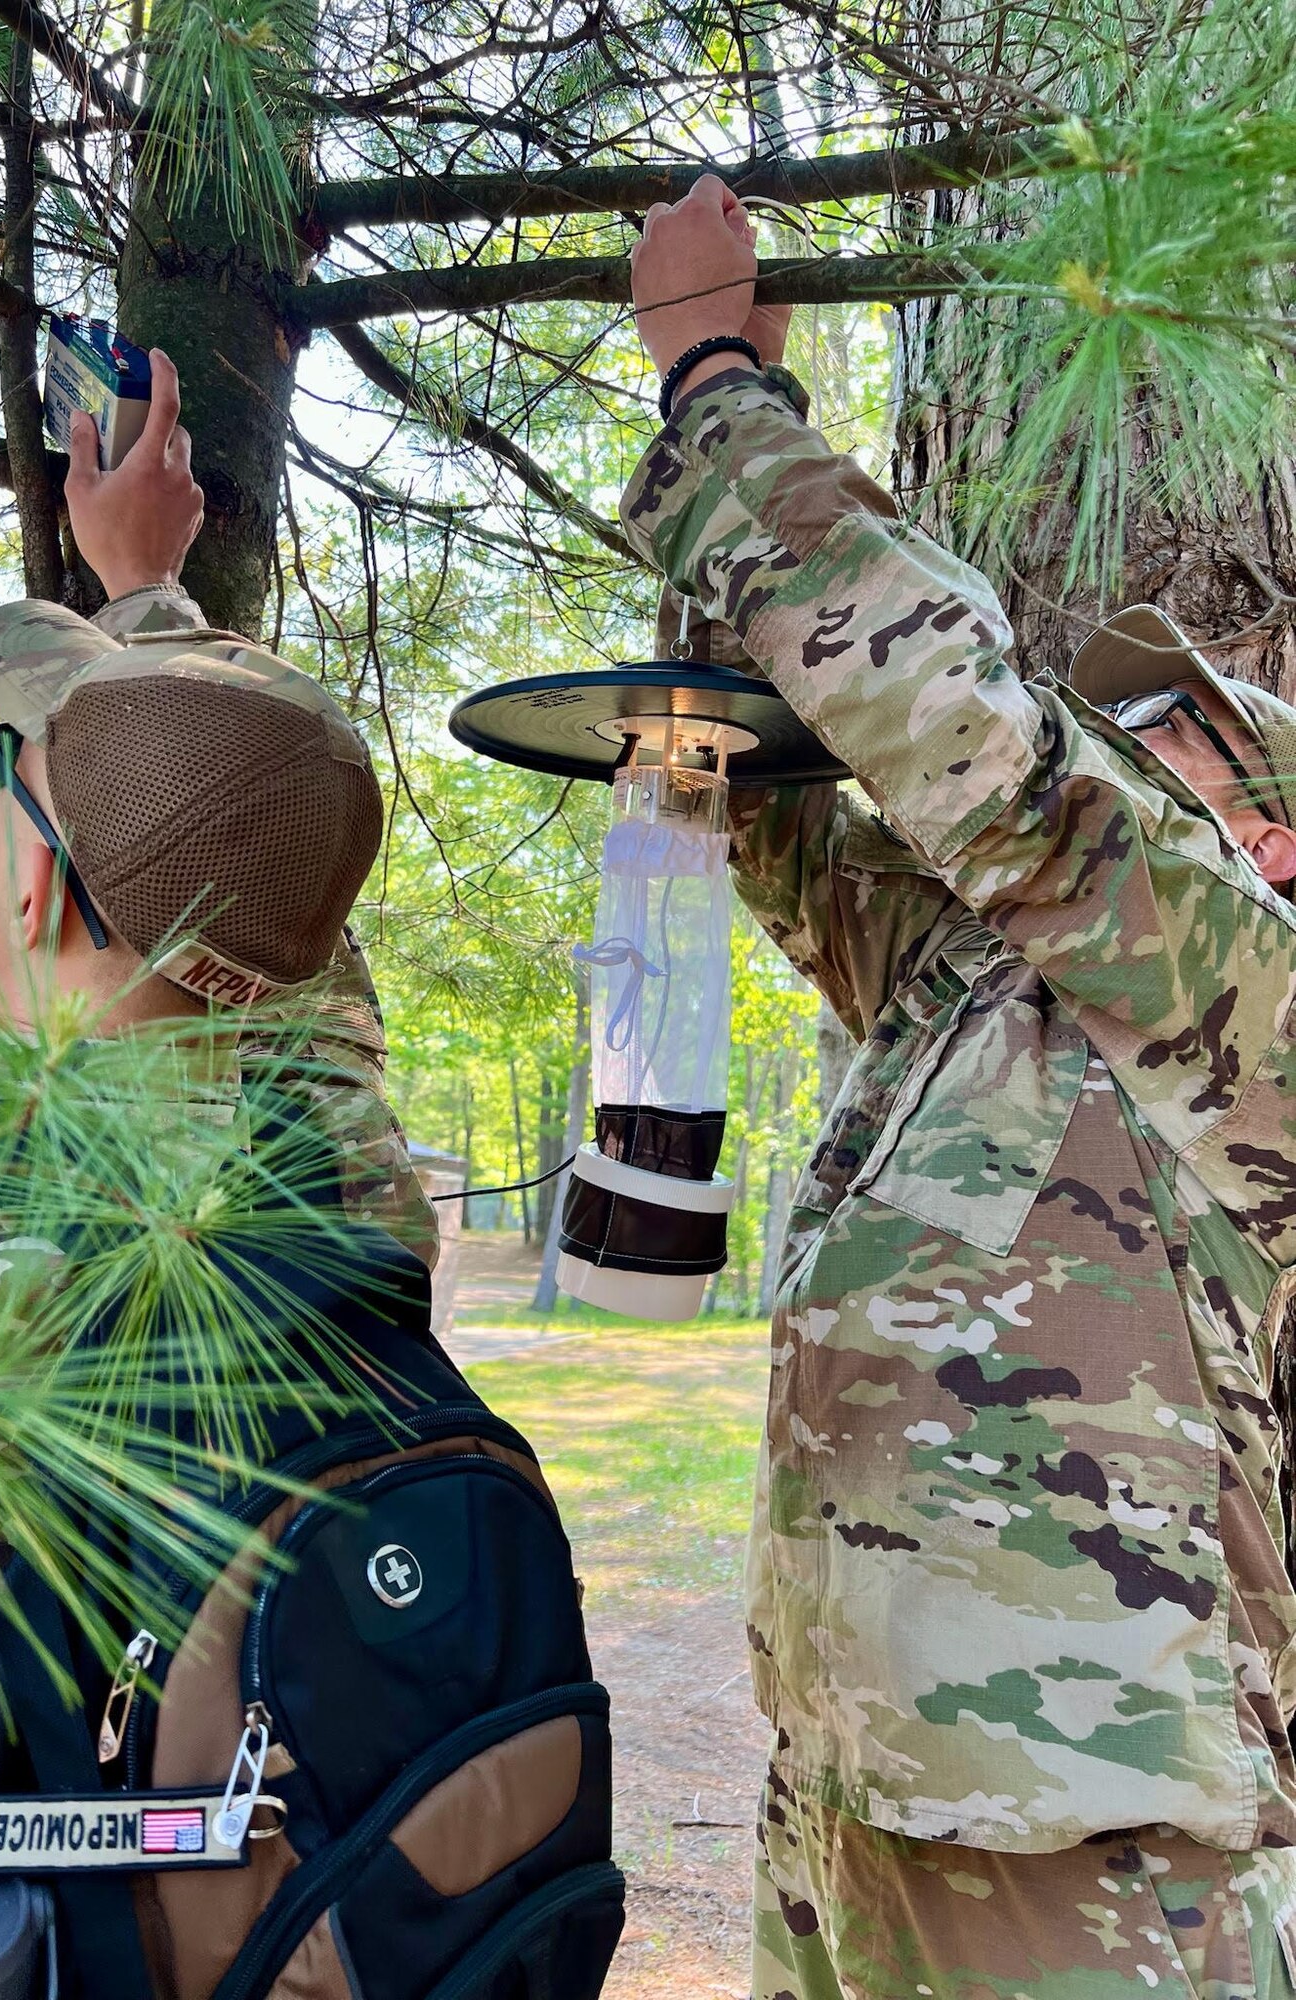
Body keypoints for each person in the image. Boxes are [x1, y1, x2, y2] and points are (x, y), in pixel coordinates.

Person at [623, 175, 1296, 1997]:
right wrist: (716, 495)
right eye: (1132, 735)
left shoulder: (1255, 1010)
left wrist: (715, 396)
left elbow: (983, 759)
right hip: (856, 1781)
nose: (1143, 759)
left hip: (1088, 1847)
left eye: (1198, 751)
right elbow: (777, 792)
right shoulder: (966, 990)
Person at [0, 352, 431, 1949]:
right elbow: (261, 880)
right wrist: (144, 598)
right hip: (199, 1928)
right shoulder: (347, 1171)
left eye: (15, 799)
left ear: (23, 896)